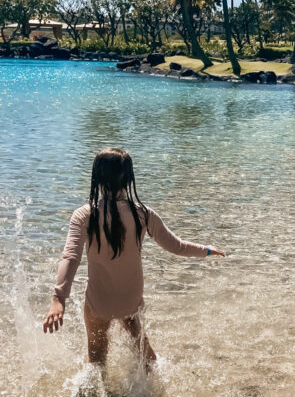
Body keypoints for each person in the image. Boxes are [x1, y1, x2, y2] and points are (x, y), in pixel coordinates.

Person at [43, 148, 225, 370]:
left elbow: (70, 257)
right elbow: (176, 246)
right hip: (131, 300)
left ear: (96, 178)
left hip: (99, 301)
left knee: (97, 361)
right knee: (145, 355)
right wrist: (206, 249)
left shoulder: (85, 215)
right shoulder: (143, 214)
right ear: (129, 179)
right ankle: (152, 394)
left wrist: (58, 299)